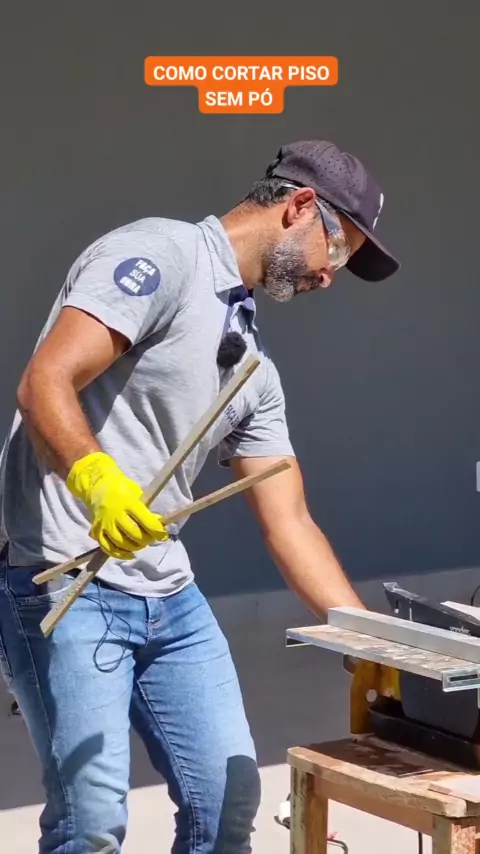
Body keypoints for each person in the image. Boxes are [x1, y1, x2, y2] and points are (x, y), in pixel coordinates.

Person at [0, 139, 399, 854]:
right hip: (64, 579)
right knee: (90, 825)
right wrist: (96, 480)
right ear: (300, 206)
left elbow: (289, 518)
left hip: (169, 596)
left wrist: (367, 637)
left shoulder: (251, 368)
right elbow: (45, 382)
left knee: (227, 800)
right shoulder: (163, 255)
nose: (328, 276)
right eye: (337, 251)